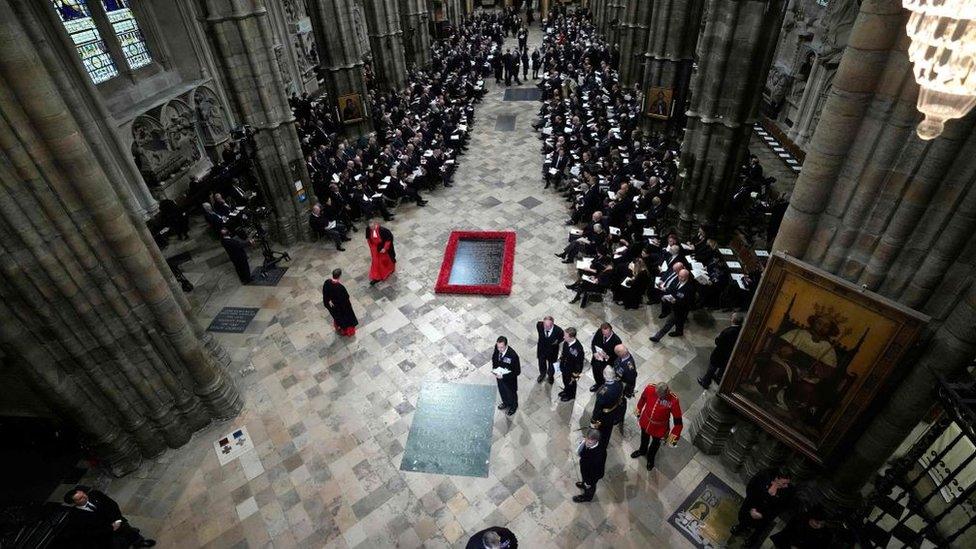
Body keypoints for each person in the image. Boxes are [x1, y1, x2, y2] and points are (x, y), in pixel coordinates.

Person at [62, 485, 156, 548]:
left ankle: (139, 542)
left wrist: (118, 520)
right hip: (105, 534)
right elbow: (88, 532)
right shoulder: (75, 516)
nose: (85, 497)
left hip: (117, 521)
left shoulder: (96, 495)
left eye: (84, 494)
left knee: (129, 531)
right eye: (80, 498)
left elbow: (112, 505)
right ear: (74, 503)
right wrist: (110, 528)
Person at [730, 469, 796, 547]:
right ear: (777, 479)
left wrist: (764, 515)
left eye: (787, 483)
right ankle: (741, 527)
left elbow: (780, 508)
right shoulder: (763, 476)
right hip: (753, 505)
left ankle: (751, 540)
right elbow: (751, 490)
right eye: (784, 483)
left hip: (767, 513)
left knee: (761, 528)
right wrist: (752, 508)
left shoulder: (788, 491)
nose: (786, 486)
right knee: (746, 518)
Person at [632, 382, 683, 471]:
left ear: (667, 393)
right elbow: (643, 398)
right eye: (657, 394)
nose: (659, 397)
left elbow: (678, 421)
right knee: (644, 437)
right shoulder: (649, 388)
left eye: (661, 396)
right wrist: (639, 408)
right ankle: (642, 450)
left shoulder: (673, 400)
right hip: (646, 421)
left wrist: (674, 435)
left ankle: (650, 459)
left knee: (655, 444)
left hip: (660, 428)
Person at [698, 312, 743, 388]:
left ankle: (705, 382)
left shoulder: (728, 331)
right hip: (729, 354)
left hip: (720, 354)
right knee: (722, 367)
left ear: (733, 320)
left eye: (732, 317)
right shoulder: (741, 329)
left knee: (712, 368)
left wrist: (716, 339)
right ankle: (718, 378)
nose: (731, 318)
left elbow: (719, 342)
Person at [649, 269, 697, 341]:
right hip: (674, 305)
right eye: (679, 276)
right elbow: (672, 289)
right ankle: (679, 332)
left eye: (682, 277)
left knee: (669, 323)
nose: (680, 278)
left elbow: (690, 302)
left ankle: (657, 337)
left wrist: (677, 302)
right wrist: (665, 290)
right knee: (679, 320)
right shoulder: (678, 281)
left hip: (681, 309)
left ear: (687, 277)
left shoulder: (690, 288)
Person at [589, 365, 624, 445]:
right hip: (613, 410)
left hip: (604, 415)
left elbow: (598, 408)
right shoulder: (619, 384)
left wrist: (594, 420)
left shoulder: (603, 392)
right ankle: (605, 442)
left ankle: (601, 443)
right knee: (608, 429)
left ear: (604, 376)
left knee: (602, 430)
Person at [573, 428, 607, 503]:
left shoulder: (598, 455)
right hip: (585, 469)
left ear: (596, 441)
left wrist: (589, 482)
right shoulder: (588, 442)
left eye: (590, 442)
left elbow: (596, 471)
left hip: (592, 476)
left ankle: (587, 497)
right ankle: (584, 483)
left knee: (590, 486)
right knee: (584, 479)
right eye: (587, 439)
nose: (587, 443)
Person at [322, 268, 358, 337]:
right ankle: (346, 330)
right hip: (341, 308)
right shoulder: (340, 287)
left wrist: (329, 300)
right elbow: (346, 298)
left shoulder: (327, 282)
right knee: (345, 318)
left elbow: (325, 293)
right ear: (340, 276)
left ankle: (338, 326)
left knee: (337, 317)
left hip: (333, 307)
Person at [492, 336, 521, 416]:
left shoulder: (513, 355)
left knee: (511, 394)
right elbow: (494, 358)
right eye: (498, 347)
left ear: (506, 345)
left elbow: (517, 372)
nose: (499, 349)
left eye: (502, 347)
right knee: (502, 391)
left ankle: (513, 406)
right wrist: (494, 370)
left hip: (509, 381)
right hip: (499, 377)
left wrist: (504, 376)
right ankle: (506, 403)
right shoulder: (497, 348)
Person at [589, 323, 621, 392]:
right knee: (595, 372)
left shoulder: (617, 340)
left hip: (607, 363)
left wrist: (607, 356)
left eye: (607, 334)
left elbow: (617, 356)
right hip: (597, 358)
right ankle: (598, 384)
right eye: (603, 333)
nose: (605, 335)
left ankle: (605, 386)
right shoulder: (599, 332)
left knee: (605, 376)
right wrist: (594, 352)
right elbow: (593, 343)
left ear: (611, 330)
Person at [557, 327, 584, 401]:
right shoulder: (566, 342)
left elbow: (579, 364)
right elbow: (564, 352)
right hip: (565, 367)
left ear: (571, 337)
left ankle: (571, 395)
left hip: (571, 371)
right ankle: (566, 391)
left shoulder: (578, 349)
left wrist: (575, 375)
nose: (563, 337)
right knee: (565, 381)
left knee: (571, 384)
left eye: (565, 336)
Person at [366, 220, 396, 286]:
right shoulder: (368, 229)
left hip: (382, 249)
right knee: (376, 263)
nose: (371, 228)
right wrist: (371, 247)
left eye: (372, 226)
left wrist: (385, 248)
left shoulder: (383, 230)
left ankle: (384, 273)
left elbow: (388, 240)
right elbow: (368, 239)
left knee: (383, 262)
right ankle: (376, 277)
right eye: (370, 227)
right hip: (374, 249)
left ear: (375, 224)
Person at [535, 316, 563, 384]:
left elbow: (562, 338)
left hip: (552, 352)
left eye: (549, 326)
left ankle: (550, 376)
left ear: (553, 324)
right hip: (541, 350)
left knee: (551, 367)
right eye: (545, 325)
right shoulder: (539, 325)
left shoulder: (558, 331)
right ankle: (542, 374)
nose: (547, 327)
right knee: (541, 364)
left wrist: (557, 342)